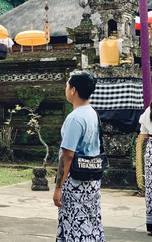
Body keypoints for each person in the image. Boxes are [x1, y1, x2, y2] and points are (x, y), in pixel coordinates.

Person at [53, 71, 104, 241]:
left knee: (75, 224)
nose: (65, 88)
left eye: (67, 85)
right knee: (91, 222)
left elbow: (67, 156)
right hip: (92, 180)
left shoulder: (74, 118)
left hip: (75, 182)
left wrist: (58, 187)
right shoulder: (93, 113)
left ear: (73, 90)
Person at [138, 99, 152, 236]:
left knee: (151, 188)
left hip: (151, 151)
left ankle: (151, 226)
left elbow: (144, 135)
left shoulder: (148, 112)